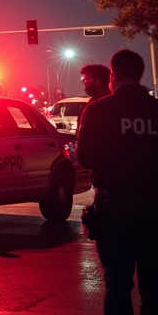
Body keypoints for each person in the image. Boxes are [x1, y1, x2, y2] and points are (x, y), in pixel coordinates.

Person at [77, 49, 158, 315]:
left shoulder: (98, 110)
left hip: (114, 206)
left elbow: (85, 158)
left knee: (118, 284)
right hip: (155, 205)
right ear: (140, 75)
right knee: (154, 287)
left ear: (114, 76)